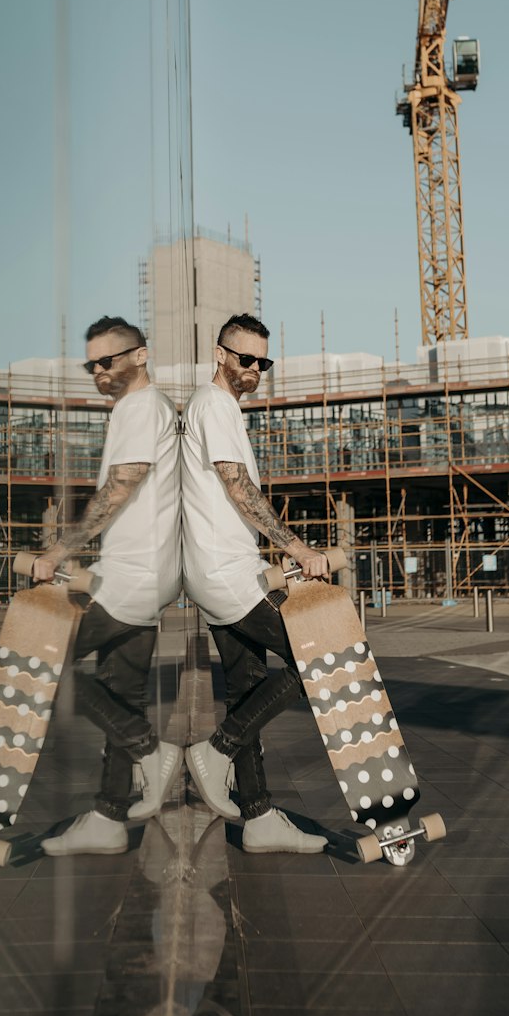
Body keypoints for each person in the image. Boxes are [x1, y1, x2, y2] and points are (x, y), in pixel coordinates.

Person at [180, 312, 332, 854]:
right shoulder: (214, 404)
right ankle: (216, 751)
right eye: (245, 358)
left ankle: (260, 817)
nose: (254, 369)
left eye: (262, 362)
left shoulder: (220, 409)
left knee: (248, 689)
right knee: (318, 657)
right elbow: (237, 486)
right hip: (227, 574)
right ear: (220, 355)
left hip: (221, 571)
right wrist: (297, 549)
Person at [35, 316, 182, 855]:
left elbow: (122, 485)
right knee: (121, 695)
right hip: (140, 574)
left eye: (110, 360)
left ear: (140, 356)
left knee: (41, 665)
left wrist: (60, 550)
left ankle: (152, 750)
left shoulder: (141, 407)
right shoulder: (143, 408)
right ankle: (108, 817)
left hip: (131, 576)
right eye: (91, 364)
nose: (99, 371)